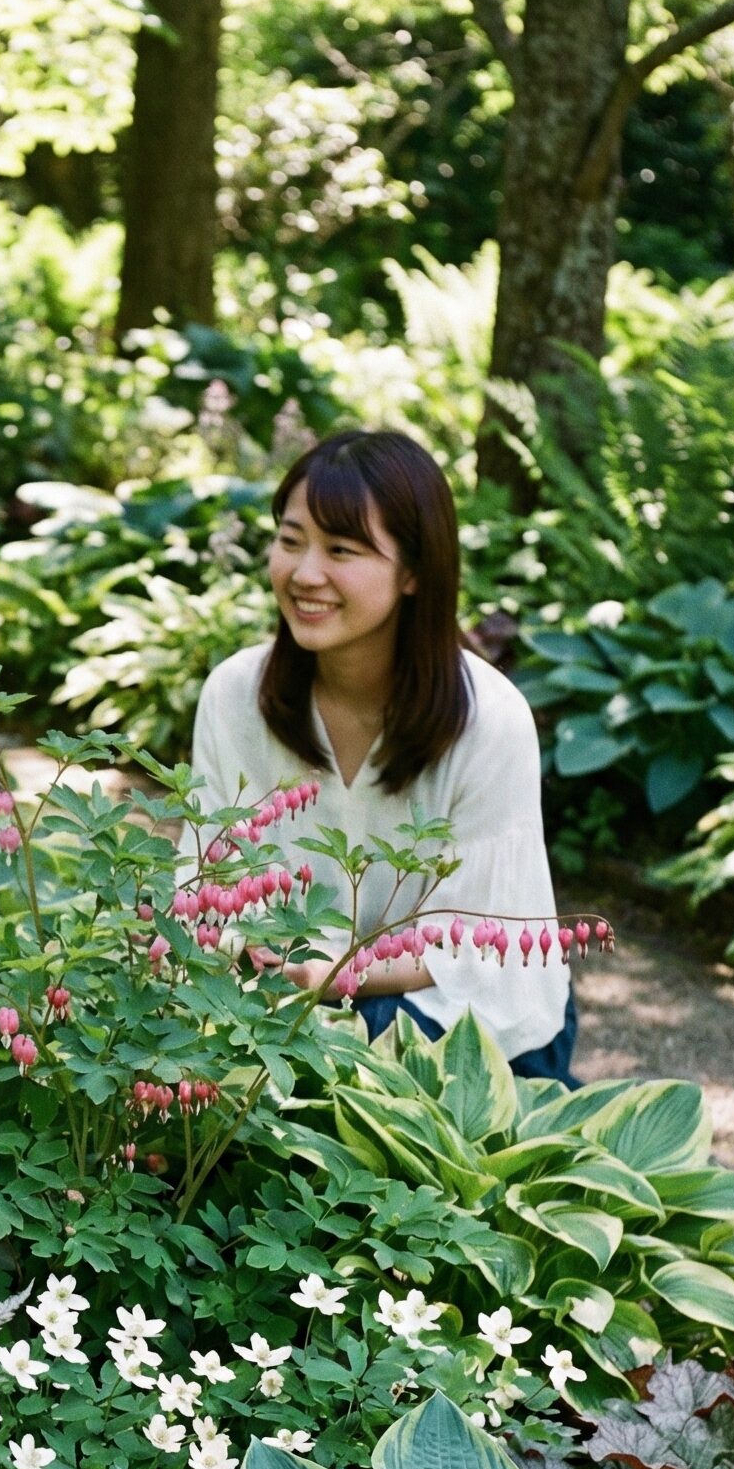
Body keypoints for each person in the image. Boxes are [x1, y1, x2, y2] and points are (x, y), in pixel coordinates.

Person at [186, 426, 577, 1083]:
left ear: (415, 573)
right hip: (285, 1001)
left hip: (465, 1025)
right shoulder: (236, 697)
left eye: (341, 549)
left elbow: (473, 940)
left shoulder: (489, 721)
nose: (304, 574)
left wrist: (337, 971)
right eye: (289, 541)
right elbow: (208, 880)